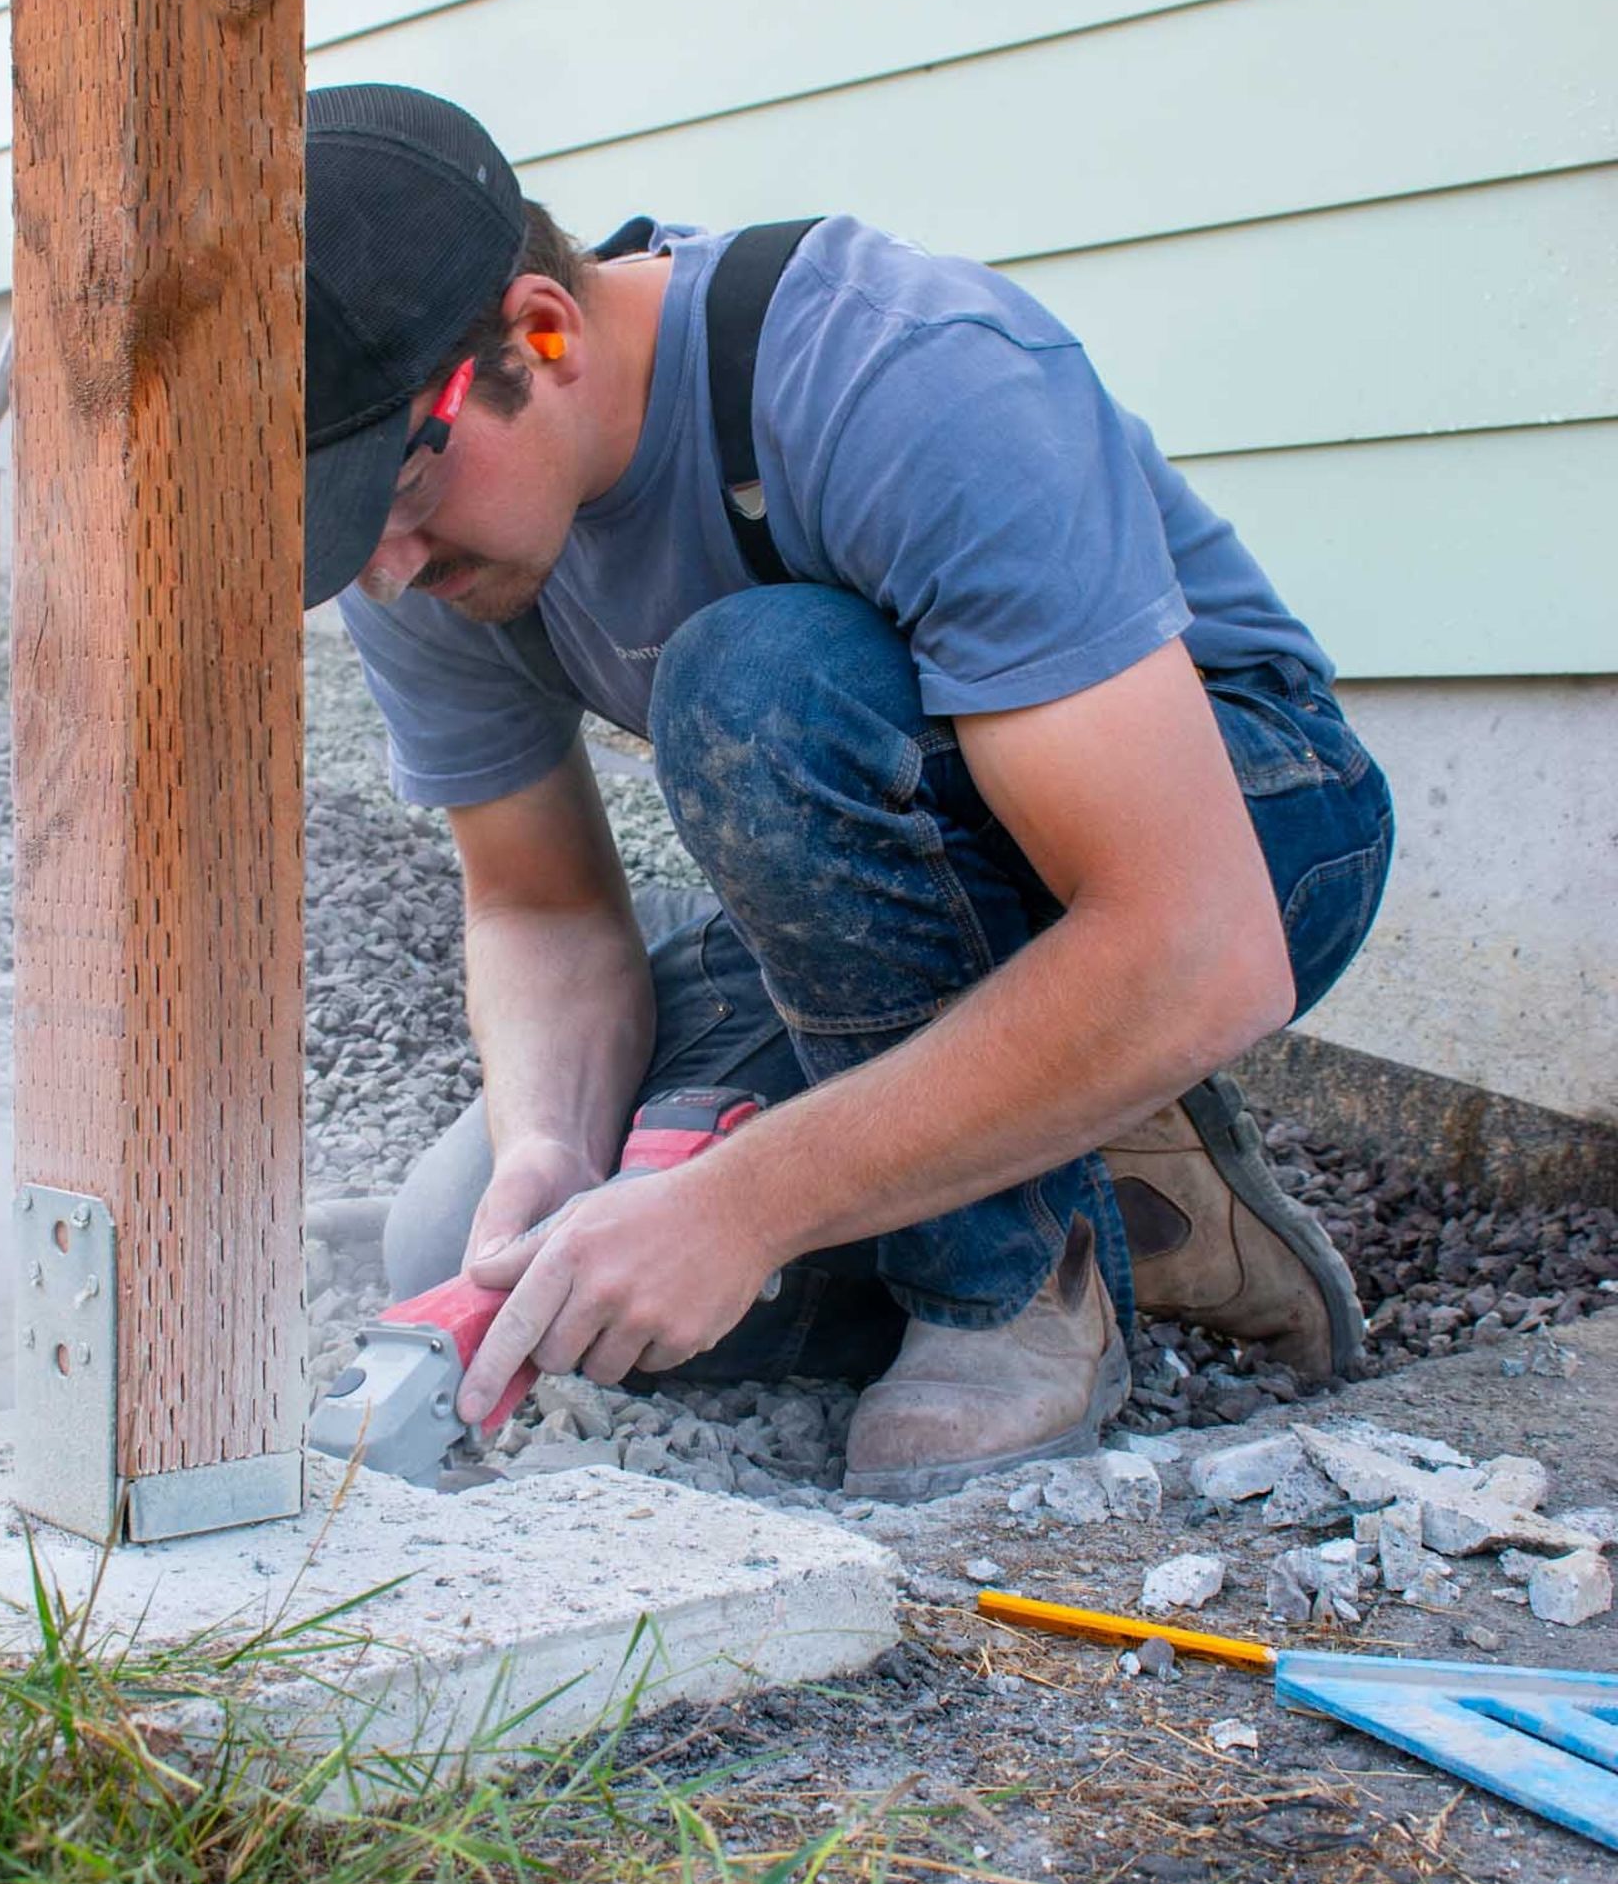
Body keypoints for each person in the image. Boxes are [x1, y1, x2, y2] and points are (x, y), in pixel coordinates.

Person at [304, 83, 1394, 1499]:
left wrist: (748, 1204)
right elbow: (541, 910)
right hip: (909, 861)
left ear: (541, 335)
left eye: (395, 501)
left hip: (1244, 822)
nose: (385, 568)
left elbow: (1201, 941)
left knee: (758, 686)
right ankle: (1127, 1168)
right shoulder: (432, 557)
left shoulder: (896, 372)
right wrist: (552, 1149)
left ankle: (1008, 1286)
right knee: (477, 1249)